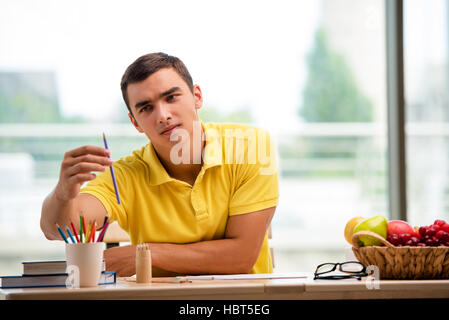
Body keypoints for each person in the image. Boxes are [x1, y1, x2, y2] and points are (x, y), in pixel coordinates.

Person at [40, 52, 279, 277]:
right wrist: (63, 192)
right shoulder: (124, 174)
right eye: (146, 108)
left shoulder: (251, 146)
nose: (162, 115)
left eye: (171, 97)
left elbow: (240, 258)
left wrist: (144, 254)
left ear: (197, 96)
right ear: (136, 123)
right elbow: (56, 229)